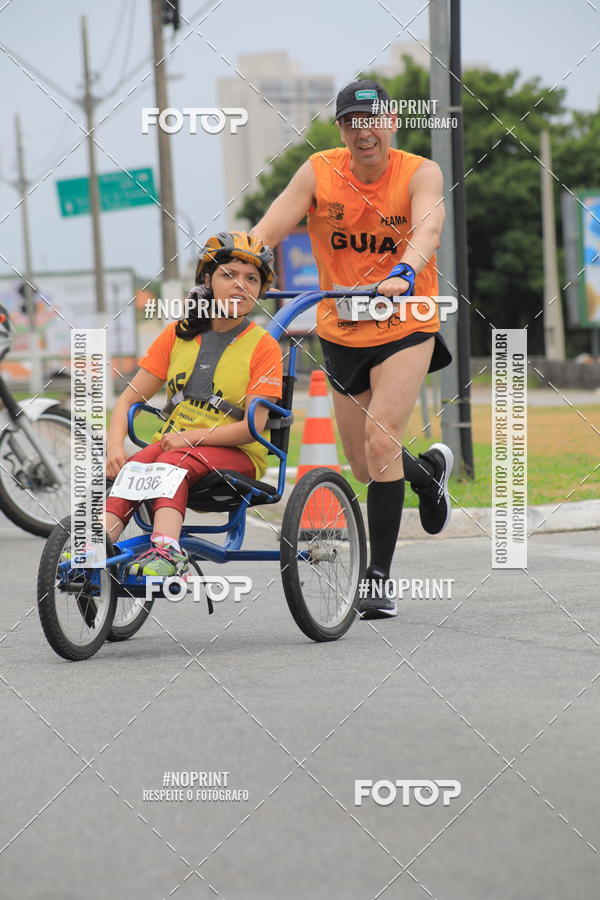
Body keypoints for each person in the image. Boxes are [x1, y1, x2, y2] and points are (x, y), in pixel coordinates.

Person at [252, 78, 454, 620]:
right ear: (340, 129)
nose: (363, 131)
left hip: (406, 319)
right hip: (341, 329)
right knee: (366, 464)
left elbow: (428, 226)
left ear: (391, 122)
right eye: (351, 122)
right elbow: (269, 227)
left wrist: (405, 271)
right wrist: (232, 266)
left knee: (381, 443)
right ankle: (430, 475)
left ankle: (378, 578)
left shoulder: (419, 171)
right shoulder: (320, 171)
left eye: (373, 120)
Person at [104, 231, 283, 578]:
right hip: (176, 447)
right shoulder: (176, 334)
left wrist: (191, 439)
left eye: (251, 279)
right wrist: (114, 446)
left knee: (172, 459)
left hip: (238, 455)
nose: (240, 285)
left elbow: (252, 427)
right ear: (206, 280)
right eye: (228, 275)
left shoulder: (264, 347)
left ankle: (169, 551)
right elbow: (127, 398)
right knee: (136, 465)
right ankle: (94, 547)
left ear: (260, 291)